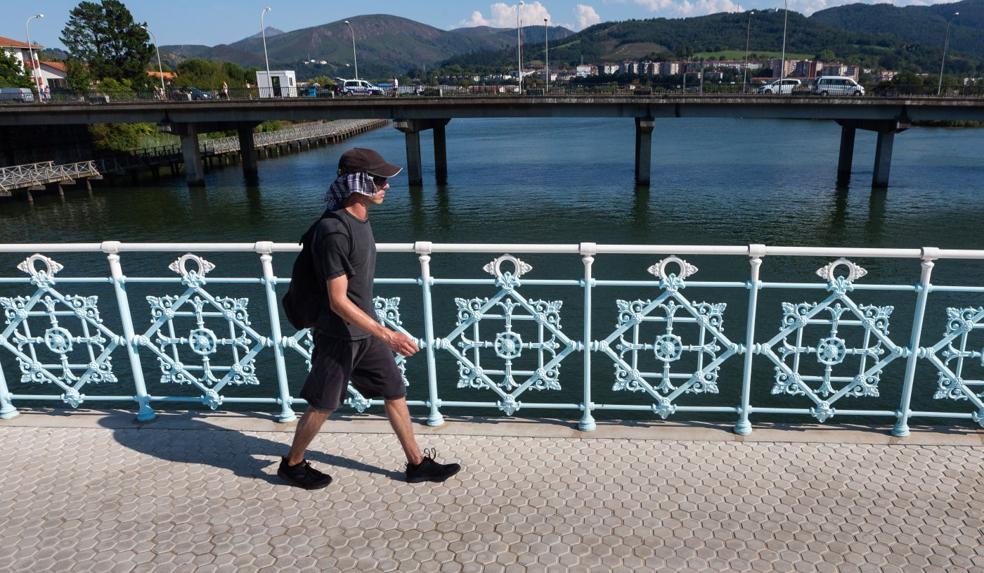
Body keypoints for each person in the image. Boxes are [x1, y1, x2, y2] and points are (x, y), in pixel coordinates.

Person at [278, 148, 461, 490]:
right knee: (322, 404)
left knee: (394, 391)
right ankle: (292, 464)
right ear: (355, 183)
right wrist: (387, 335)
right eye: (378, 180)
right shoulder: (334, 231)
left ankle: (417, 464)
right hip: (339, 336)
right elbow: (336, 300)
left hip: (364, 333)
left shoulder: (360, 220)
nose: (386, 186)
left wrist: (377, 332)